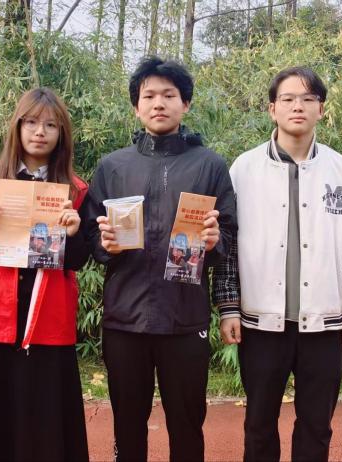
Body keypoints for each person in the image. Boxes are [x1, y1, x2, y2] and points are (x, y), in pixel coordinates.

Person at [214, 67, 342, 461]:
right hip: (260, 324)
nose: (297, 106)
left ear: (321, 109)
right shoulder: (243, 170)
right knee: (258, 425)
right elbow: (227, 245)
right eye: (287, 99)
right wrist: (228, 307)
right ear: (272, 109)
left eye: (308, 99)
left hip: (324, 323)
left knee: (317, 427)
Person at [83, 56, 237, 462]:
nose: (158, 103)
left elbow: (230, 234)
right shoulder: (113, 166)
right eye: (148, 95)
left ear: (185, 104)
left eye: (169, 95)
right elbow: (89, 236)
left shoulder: (209, 165)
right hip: (125, 319)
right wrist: (105, 244)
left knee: (186, 424)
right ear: (136, 106)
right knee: (127, 424)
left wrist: (215, 240)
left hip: (184, 319)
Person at [0, 88, 90, 462]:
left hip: (47, 320)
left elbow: (78, 260)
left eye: (51, 125)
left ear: (61, 134)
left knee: (43, 421)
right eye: (32, 122)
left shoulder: (74, 190)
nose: (40, 132)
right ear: (18, 127)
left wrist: (74, 233)